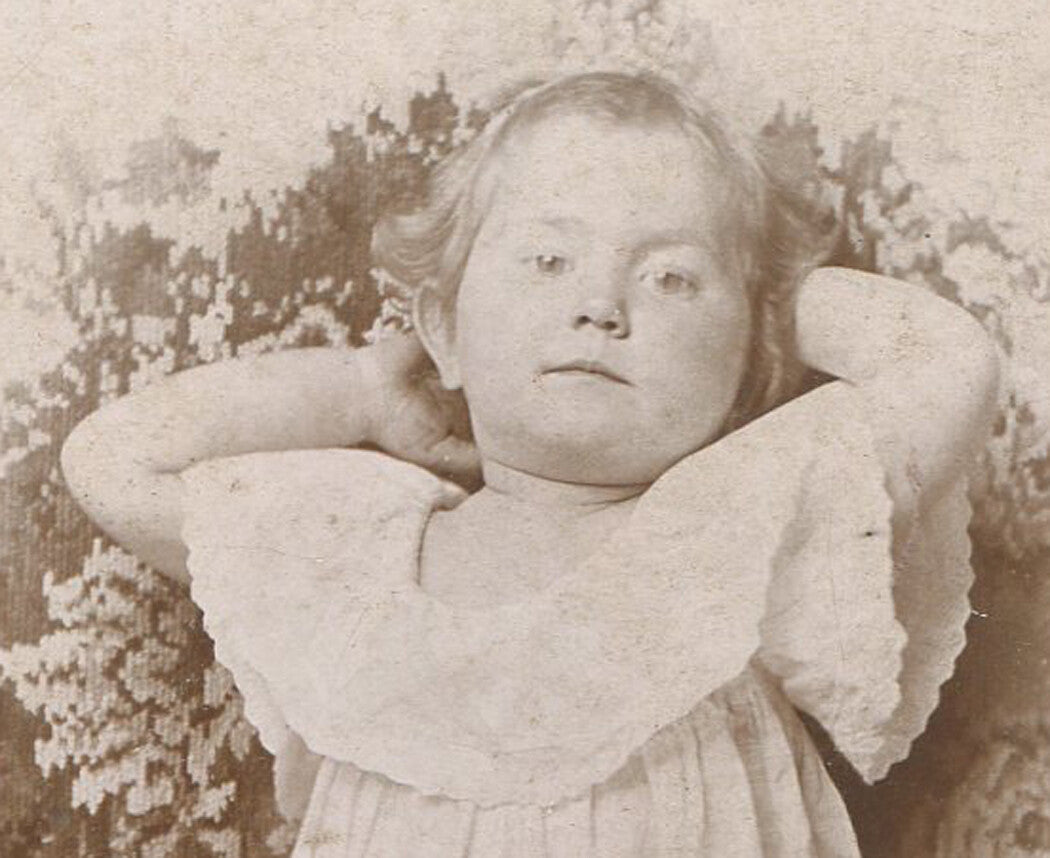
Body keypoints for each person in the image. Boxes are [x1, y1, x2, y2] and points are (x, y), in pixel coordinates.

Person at [61, 72, 998, 856]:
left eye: (667, 278)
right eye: (548, 260)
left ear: (752, 366)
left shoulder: (745, 521)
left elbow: (943, 361)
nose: (602, 305)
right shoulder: (361, 552)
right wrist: (358, 386)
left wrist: (763, 310)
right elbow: (115, 459)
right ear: (445, 329)